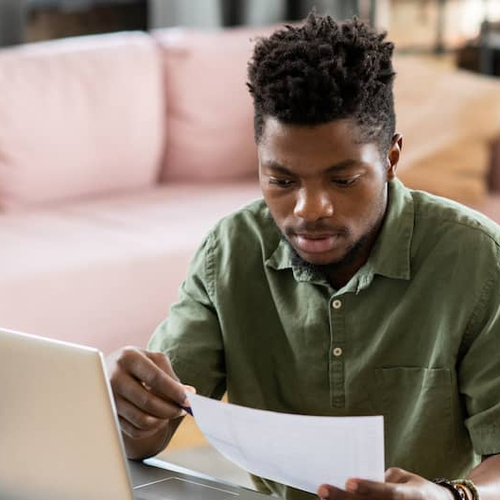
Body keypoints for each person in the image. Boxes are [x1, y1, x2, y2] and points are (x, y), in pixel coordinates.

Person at [106, 12, 500, 500]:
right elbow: (149, 434)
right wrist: (129, 409)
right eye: (282, 180)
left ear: (392, 158)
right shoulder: (228, 253)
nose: (309, 210)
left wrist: (447, 496)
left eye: (343, 180)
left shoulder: (479, 259)